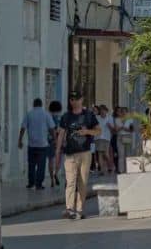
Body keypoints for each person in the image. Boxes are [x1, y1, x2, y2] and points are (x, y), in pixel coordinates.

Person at [54, 91, 100, 220]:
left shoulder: (89, 115)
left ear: (82, 100)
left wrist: (87, 131)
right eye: (72, 99)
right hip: (70, 153)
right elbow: (61, 134)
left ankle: (79, 209)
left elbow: (98, 131)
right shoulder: (66, 117)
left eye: (76, 99)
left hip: (85, 153)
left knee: (82, 182)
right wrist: (57, 152)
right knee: (70, 181)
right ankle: (69, 208)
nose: (74, 101)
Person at [18, 98, 56, 190]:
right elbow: (52, 128)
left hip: (32, 144)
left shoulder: (29, 114)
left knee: (31, 164)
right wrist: (54, 139)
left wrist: (20, 140)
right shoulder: (46, 114)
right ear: (41, 104)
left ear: (34, 104)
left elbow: (23, 127)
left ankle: (31, 182)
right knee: (41, 165)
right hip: (43, 144)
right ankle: (39, 184)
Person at [95, 105, 115, 174]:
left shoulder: (110, 118)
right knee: (100, 153)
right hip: (98, 137)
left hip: (106, 137)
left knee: (106, 154)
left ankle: (110, 166)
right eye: (101, 110)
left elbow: (113, 129)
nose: (102, 111)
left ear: (106, 111)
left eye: (104, 110)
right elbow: (94, 126)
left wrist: (109, 126)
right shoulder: (97, 118)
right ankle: (102, 170)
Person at [47, 101, 63, 187]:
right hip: (58, 141)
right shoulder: (60, 118)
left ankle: (51, 179)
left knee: (50, 160)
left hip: (49, 140)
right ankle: (56, 173)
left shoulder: (48, 117)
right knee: (59, 159)